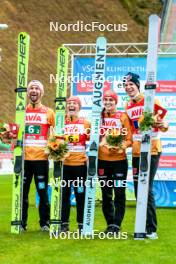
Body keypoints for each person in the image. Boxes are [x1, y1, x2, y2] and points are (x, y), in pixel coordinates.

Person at [123, 72, 169, 239]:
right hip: (136, 151)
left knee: (146, 188)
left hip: (153, 149)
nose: (128, 88)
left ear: (137, 85)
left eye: (131, 84)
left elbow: (164, 123)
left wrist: (163, 124)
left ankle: (151, 229)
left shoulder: (151, 100)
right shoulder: (128, 106)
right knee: (137, 189)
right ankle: (140, 226)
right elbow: (130, 131)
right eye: (126, 85)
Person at [22, 80, 55, 231]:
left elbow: (55, 135)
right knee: (22, 193)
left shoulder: (49, 112)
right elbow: (16, 133)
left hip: (41, 160)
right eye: (31, 88)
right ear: (28, 92)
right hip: (24, 160)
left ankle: (45, 223)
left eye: (36, 88)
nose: (33, 90)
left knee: (42, 192)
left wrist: (55, 149)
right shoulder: (21, 111)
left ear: (41, 92)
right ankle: (21, 223)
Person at [98, 90, 132, 234]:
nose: (108, 102)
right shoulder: (98, 117)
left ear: (115, 102)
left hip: (119, 162)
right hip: (102, 162)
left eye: (111, 100)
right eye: (105, 100)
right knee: (106, 194)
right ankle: (110, 224)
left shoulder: (122, 116)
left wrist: (120, 147)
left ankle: (117, 224)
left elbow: (129, 139)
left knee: (119, 193)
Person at [60, 96, 90, 233]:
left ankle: (81, 224)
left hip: (79, 165)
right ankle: (64, 224)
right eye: (69, 103)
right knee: (64, 195)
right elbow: (55, 141)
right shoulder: (62, 123)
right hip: (65, 165)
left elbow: (92, 141)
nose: (71, 105)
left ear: (79, 107)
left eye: (74, 103)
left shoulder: (86, 123)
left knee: (80, 195)